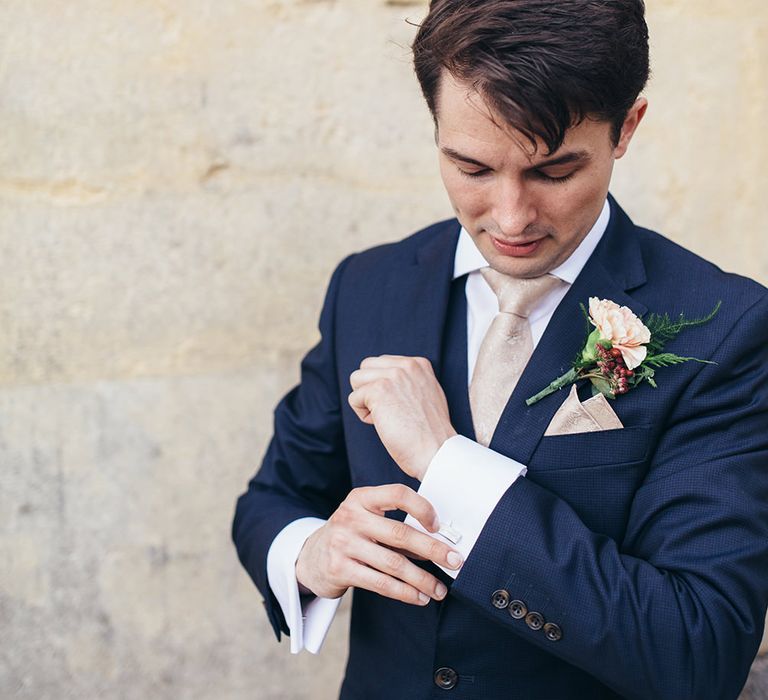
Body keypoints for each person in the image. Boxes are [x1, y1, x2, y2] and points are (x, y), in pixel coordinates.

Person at [232, 1, 768, 697]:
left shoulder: (720, 327)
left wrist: (445, 463)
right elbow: (273, 497)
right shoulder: (369, 287)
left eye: (553, 172)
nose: (511, 217)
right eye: (473, 167)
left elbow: (697, 650)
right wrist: (310, 552)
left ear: (626, 129)